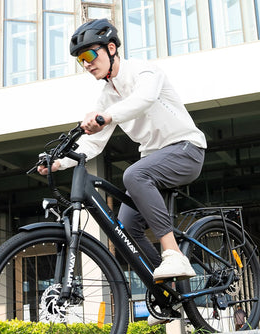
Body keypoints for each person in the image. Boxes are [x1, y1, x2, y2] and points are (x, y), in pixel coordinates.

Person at [38, 18, 207, 282]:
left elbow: (144, 99)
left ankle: (173, 253)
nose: (86, 63)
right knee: (126, 226)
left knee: (133, 175)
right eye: (80, 59)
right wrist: (59, 163)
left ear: (111, 48)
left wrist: (106, 116)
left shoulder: (144, 72)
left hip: (186, 149)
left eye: (89, 54)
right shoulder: (107, 95)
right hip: (154, 161)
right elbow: (93, 143)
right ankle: (170, 290)